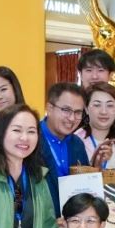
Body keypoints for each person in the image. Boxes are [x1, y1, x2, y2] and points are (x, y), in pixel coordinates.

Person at [40, 82, 90, 215]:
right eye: (66, 110)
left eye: (78, 112)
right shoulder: (31, 138)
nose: (72, 118)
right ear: (49, 108)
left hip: (72, 221)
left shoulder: (77, 144)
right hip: (40, 222)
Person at [77, 48, 115, 140]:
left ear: (110, 75)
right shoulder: (71, 110)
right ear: (80, 74)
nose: (94, 76)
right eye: (89, 70)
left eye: (100, 70)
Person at [77, 83, 115, 170]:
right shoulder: (75, 142)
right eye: (97, 105)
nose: (104, 112)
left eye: (110, 105)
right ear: (86, 109)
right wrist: (94, 165)